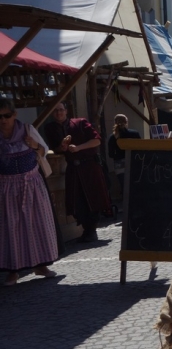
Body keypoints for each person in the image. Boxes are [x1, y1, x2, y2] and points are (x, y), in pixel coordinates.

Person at [0, 98, 58, 285]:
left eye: (6, 116)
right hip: (6, 187)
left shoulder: (27, 130)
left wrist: (34, 145)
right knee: (10, 228)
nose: (3, 120)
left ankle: (40, 265)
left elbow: (44, 150)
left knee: (36, 223)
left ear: (14, 114)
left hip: (31, 184)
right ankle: (13, 270)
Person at [42, 102, 110, 243]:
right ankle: (86, 230)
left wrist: (79, 148)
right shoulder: (50, 128)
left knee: (93, 197)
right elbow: (55, 149)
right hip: (73, 168)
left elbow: (96, 141)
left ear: (66, 111)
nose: (59, 113)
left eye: (61, 110)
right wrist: (62, 147)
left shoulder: (79, 123)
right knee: (76, 201)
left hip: (89, 166)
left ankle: (92, 231)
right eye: (55, 111)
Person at [106, 114, 141, 198]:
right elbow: (140, 147)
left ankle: (125, 202)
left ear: (115, 123)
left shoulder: (112, 137)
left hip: (119, 163)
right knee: (134, 182)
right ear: (126, 122)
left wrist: (118, 155)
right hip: (133, 161)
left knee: (123, 184)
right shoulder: (134, 134)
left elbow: (110, 154)